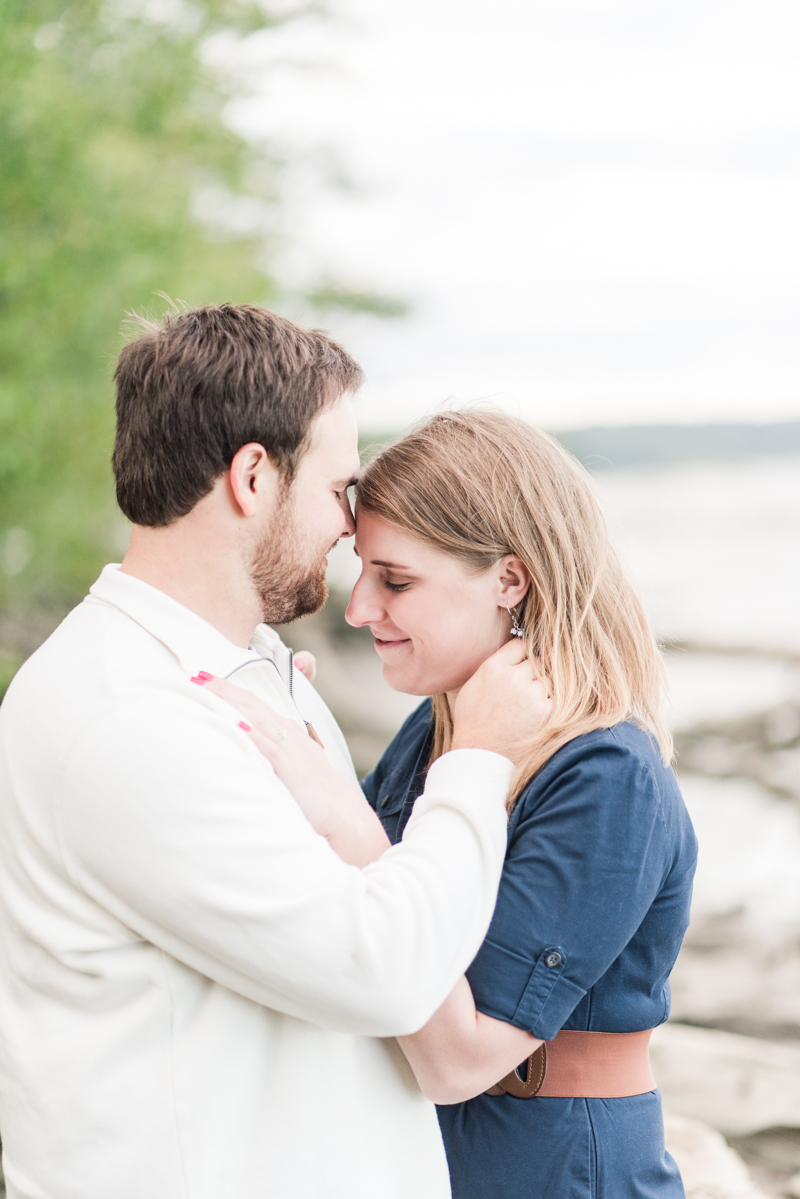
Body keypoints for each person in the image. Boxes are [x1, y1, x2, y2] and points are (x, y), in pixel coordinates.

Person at [0, 308, 550, 1199]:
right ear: (253, 475)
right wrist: (479, 758)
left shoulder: (246, 668)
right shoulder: (128, 715)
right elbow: (389, 969)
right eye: (340, 488)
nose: (350, 523)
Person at [219, 410, 698, 1199]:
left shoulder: (609, 773)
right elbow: (347, 937)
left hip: (557, 1166)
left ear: (511, 579)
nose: (359, 609)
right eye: (362, 571)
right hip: (433, 1157)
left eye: (396, 580)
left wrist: (343, 818)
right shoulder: (433, 731)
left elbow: (458, 1058)